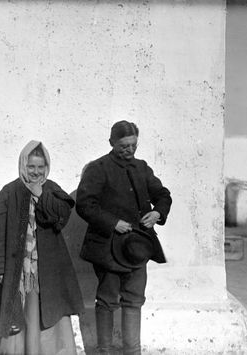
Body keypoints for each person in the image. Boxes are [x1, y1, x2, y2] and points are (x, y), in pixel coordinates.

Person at [76, 121, 172, 355]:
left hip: (137, 248)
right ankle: (104, 352)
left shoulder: (141, 168)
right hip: (108, 248)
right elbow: (84, 204)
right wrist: (112, 223)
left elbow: (163, 194)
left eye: (133, 145)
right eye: (123, 146)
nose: (129, 150)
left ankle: (133, 352)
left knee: (134, 300)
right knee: (107, 301)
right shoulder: (98, 168)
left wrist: (157, 212)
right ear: (111, 142)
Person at [0, 140, 84, 355]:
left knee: (48, 312)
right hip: (18, 270)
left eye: (41, 167)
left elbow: (62, 215)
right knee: (21, 311)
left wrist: (41, 195)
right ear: (23, 165)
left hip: (48, 270)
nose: (36, 172)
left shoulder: (51, 189)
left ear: (46, 167)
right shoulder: (9, 191)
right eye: (31, 167)